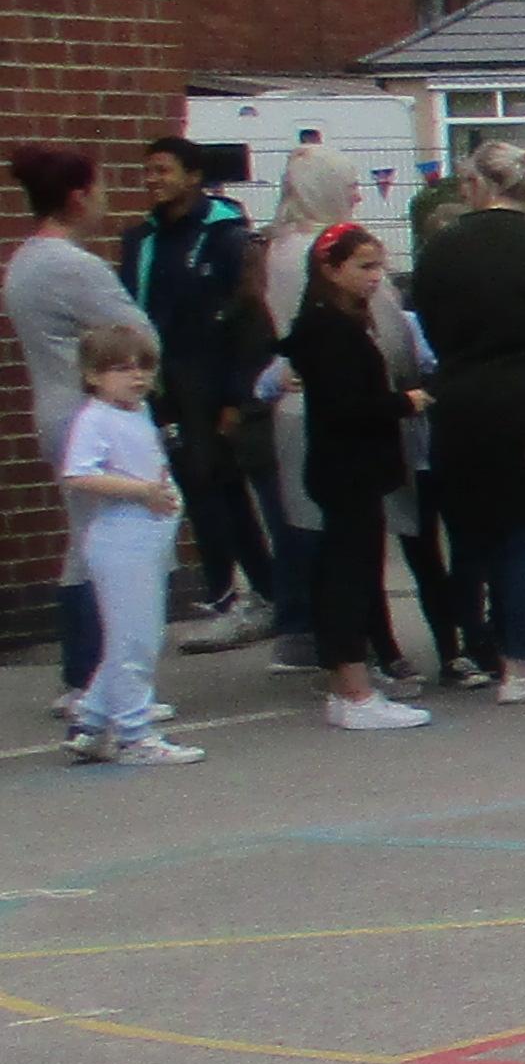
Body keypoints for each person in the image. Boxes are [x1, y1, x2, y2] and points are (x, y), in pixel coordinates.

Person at [410, 138, 525, 701]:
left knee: (477, 534)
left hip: (459, 400)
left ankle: (487, 645)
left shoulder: (442, 246)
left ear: (478, 184)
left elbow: (427, 320)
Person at [13, 146, 153, 723]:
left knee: (85, 540)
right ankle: (91, 679)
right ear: (77, 197)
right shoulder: (74, 267)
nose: (104, 200)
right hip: (89, 414)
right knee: (106, 547)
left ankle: (87, 678)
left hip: (54, 408)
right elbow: (140, 336)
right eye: (99, 189)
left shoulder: (25, 261)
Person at [120, 134, 274, 643]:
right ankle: (251, 591)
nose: (153, 180)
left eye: (163, 170)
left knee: (219, 490)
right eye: (148, 171)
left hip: (213, 381)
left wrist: (235, 396)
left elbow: (247, 321)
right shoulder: (142, 239)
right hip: (163, 384)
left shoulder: (225, 236)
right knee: (198, 488)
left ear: (193, 177)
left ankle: (241, 594)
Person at [279, 224, 428, 731]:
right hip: (349, 465)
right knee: (350, 576)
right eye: (364, 266)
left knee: (349, 572)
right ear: (330, 268)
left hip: (345, 465)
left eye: (378, 265)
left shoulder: (332, 323)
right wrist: (402, 402)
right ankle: (354, 689)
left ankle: (348, 686)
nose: (375, 276)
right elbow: (347, 405)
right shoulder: (330, 329)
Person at [248, 142, 366, 669]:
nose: (357, 195)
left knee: (299, 518)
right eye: (349, 185)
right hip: (327, 398)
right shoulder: (325, 250)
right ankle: (332, 639)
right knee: (332, 526)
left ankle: (298, 626)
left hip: (290, 399)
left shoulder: (276, 248)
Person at [56, 319, 194, 764]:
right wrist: (142, 492)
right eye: (121, 368)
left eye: (143, 367)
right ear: (93, 375)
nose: (137, 377)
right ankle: (135, 735)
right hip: (121, 540)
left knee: (130, 637)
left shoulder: (138, 412)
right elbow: (79, 475)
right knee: (136, 641)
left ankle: (92, 722)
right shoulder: (96, 418)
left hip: (147, 538)